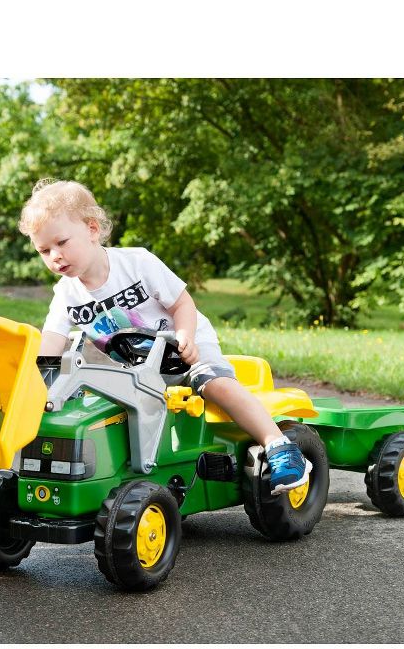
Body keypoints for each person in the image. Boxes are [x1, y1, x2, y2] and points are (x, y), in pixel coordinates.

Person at [18, 179, 311, 493]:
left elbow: (182, 302)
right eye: (44, 250)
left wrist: (186, 336)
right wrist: (30, 380)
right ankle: (135, 478)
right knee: (104, 407)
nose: (55, 256)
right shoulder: (66, 294)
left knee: (214, 384)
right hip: (137, 370)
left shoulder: (136, 263)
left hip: (186, 350)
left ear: (92, 229)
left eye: (61, 242)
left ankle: (279, 446)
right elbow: (52, 341)